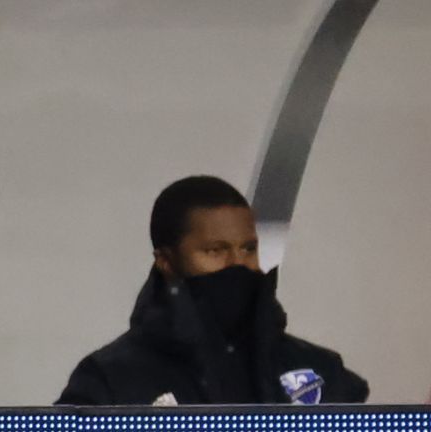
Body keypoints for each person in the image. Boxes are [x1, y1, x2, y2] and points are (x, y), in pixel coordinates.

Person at [59, 174, 367, 406]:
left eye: (249, 248)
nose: (238, 264)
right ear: (166, 261)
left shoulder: (319, 370)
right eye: (215, 250)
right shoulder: (110, 378)